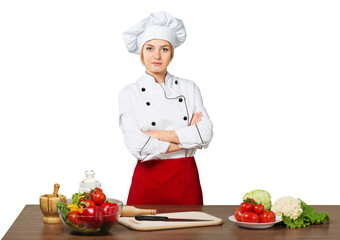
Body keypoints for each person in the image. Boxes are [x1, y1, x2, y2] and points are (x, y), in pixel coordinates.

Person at [119, 11, 213, 205]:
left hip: (185, 179)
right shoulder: (129, 93)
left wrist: (155, 134)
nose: (156, 56)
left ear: (171, 53)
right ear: (141, 53)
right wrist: (188, 139)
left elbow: (205, 133)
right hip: (147, 181)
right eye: (150, 48)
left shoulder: (189, 87)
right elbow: (136, 145)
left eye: (164, 49)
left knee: (191, 233)